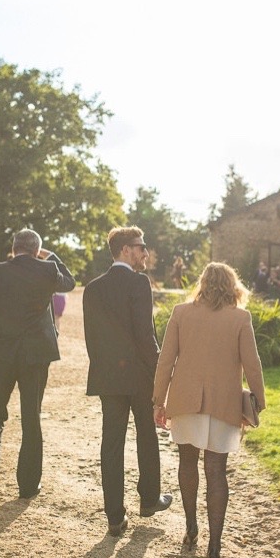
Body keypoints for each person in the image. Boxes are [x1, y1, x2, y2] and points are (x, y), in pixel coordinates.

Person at [152, 262, 266, 558]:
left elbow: (165, 360)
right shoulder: (240, 318)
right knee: (216, 472)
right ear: (233, 286)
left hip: (186, 401)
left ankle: (191, 528)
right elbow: (252, 364)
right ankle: (214, 549)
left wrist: (158, 401)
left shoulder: (180, 313)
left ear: (202, 284)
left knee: (187, 463)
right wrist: (259, 400)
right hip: (223, 403)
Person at [0, 229, 75, 499]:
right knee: (30, 417)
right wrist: (53, 256)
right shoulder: (48, 270)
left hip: (1, 352)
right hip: (36, 355)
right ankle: (27, 485)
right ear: (37, 250)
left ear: (13, 249)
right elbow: (69, 282)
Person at [84, 226, 172, 537]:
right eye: (140, 246)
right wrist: (162, 372)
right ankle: (149, 499)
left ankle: (114, 516)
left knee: (111, 443)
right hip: (138, 376)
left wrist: (105, 369)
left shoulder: (92, 289)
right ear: (125, 250)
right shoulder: (138, 283)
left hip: (108, 377)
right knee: (146, 434)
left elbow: (91, 340)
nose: (146, 252)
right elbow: (145, 336)